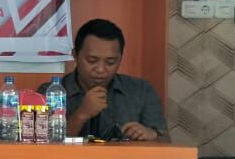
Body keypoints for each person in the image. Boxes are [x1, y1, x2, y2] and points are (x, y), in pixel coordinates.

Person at [40, 18, 169, 142]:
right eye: (92, 60)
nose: (101, 70)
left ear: (120, 58)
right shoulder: (49, 92)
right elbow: (40, 145)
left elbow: (166, 141)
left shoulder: (141, 91)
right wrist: (81, 115)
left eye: (110, 62)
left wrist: (151, 134)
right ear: (75, 55)